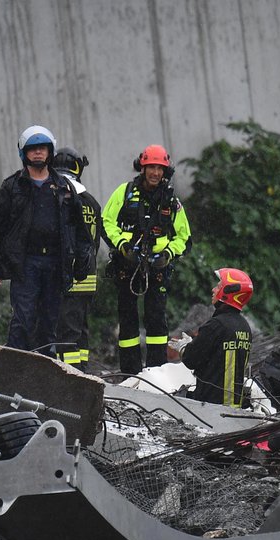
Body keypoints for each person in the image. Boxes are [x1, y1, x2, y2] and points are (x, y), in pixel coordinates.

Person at [0, 125, 90, 354]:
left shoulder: (64, 188)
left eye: (42, 148)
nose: (38, 153)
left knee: (50, 323)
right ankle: (13, 370)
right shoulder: (12, 187)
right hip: (25, 264)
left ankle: (45, 374)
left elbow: (80, 230)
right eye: (33, 149)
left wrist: (81, 264)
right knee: (23, 320)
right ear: (24, 153)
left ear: (50, 151)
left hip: (55, 263)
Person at [102, 144, 192, 375]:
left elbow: (184, 236)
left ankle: (156, 371)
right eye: (151, 167)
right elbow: (106, 222)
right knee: (128, 317)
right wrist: (122, 246)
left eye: (160, 168)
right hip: (127, 264)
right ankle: (130, 372)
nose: (155, 172)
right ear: (142, 167)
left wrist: (168, 254)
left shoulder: (171, 201)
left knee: (156, 319)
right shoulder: (125, 192)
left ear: (165, 171)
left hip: (158, 267)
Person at [170, 268, 254, 407]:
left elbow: (191, 360)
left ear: (228, 292)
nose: (213, 290)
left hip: (210, 405)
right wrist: (195, 343)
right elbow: (217, 354)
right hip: (234, 405)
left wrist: (184, 347)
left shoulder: (217, 325)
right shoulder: (244, 326)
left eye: (219, 286)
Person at [50, 146, 101, 371]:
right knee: (81, 332)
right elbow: (95, 242)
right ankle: (84, 371)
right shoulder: (92, 202)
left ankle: (72, 378)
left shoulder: (60, 198)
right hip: (88, 277)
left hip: (68, 277)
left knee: (66, 335)